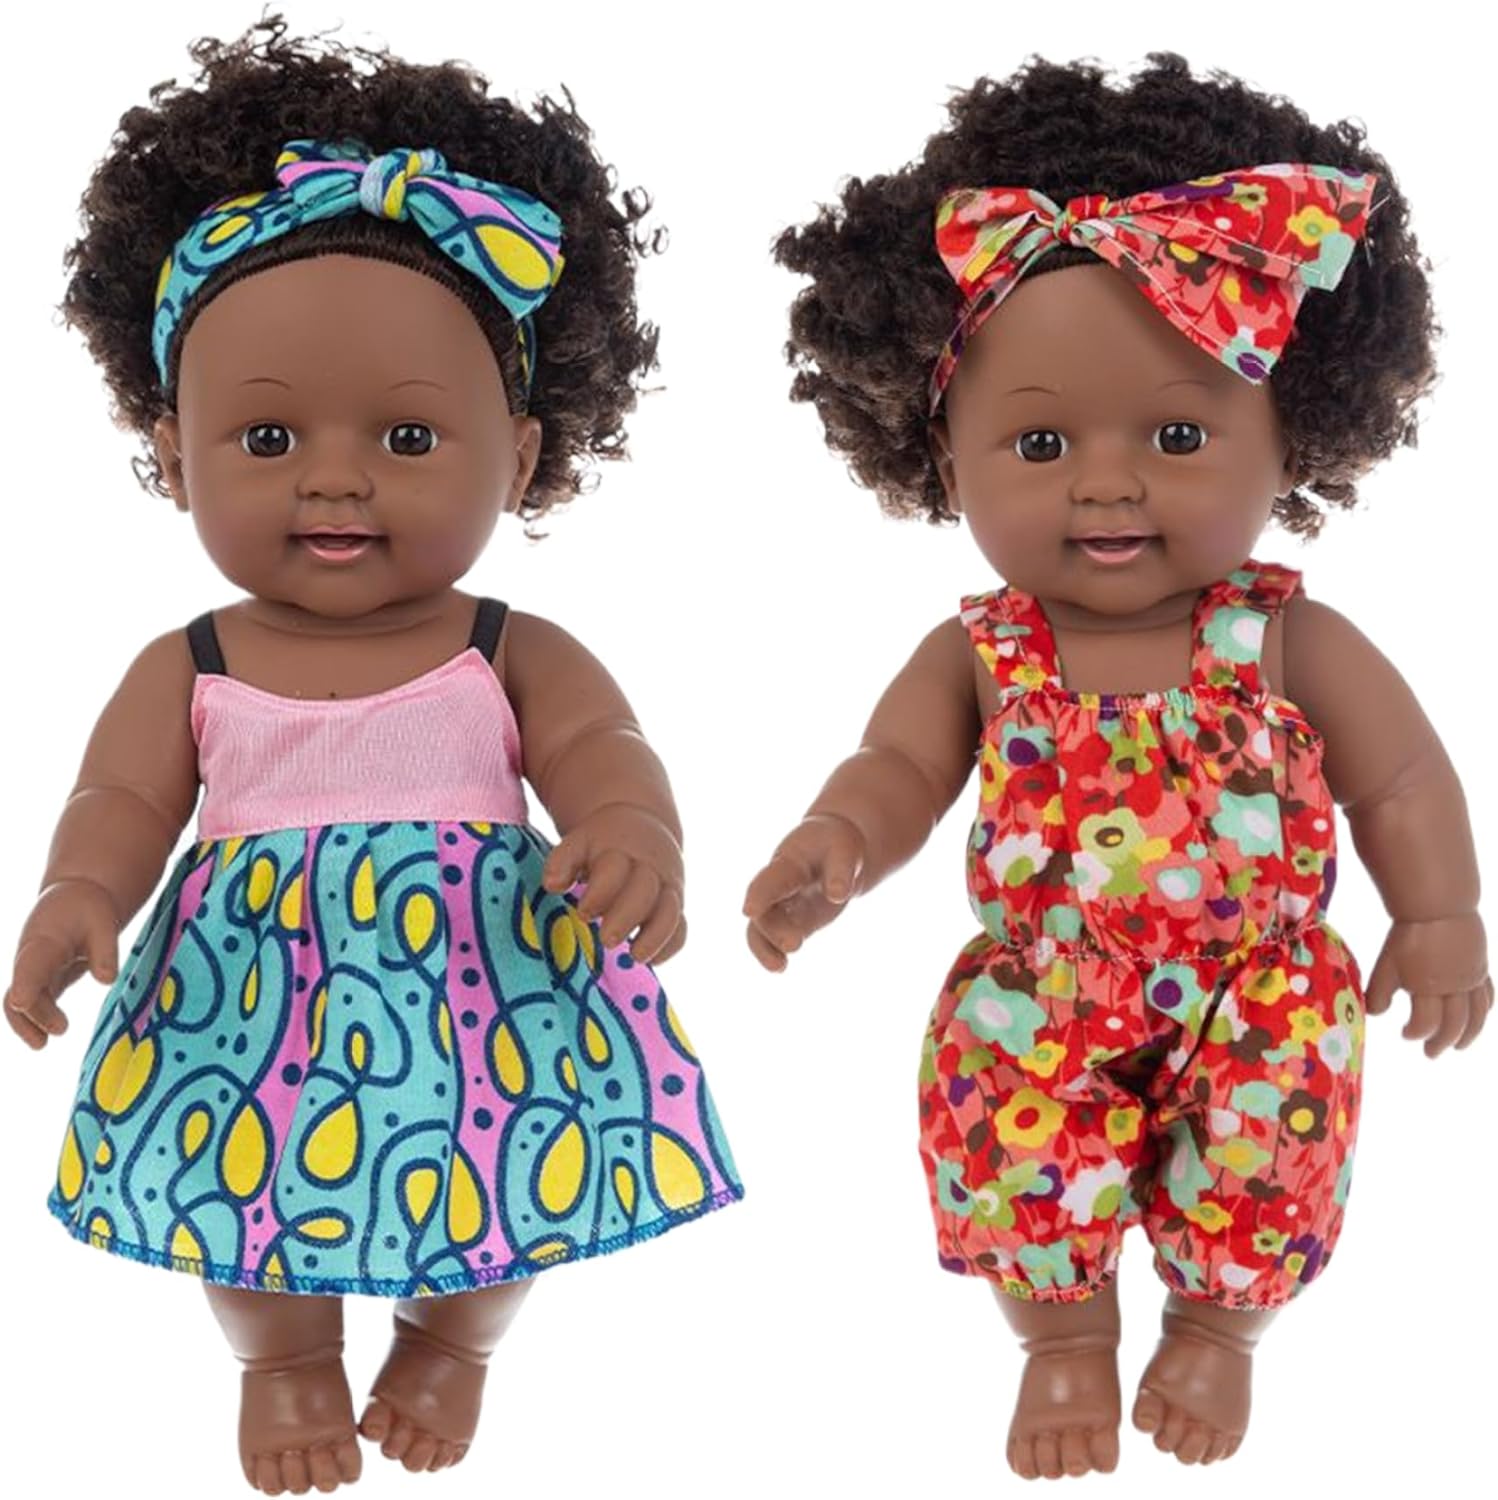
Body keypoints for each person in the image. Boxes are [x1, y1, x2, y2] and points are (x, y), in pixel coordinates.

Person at [4, 15, 742, 1493]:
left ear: (519, 458)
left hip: (485, 978)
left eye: (407, 441)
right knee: (237, 1188)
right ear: (174, 455)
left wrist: (633, 832)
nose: (335, 478)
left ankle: (452, 1343)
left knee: (515, 1168)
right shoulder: (194, 661)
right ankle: (282, 1362)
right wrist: (77, 893)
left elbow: (603, 744)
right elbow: (122, 795)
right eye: (267, 440)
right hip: (246, 996)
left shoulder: (503, 644)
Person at [744, 51, 1488, 1479]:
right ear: (944, 462)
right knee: (1004, 1138)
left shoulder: (1284, 637)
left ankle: (1216, 1330)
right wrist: (837, 843)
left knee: (1273, 1141)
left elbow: (1403, 778)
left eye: (1177, 433)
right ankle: (1063, 1338)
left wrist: (1440, 911)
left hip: (1256, 982)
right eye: (1038, 441)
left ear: (1288, 439)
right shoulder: (984, 647)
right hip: (1044, 986)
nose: (1105, 480)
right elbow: (896, 764)